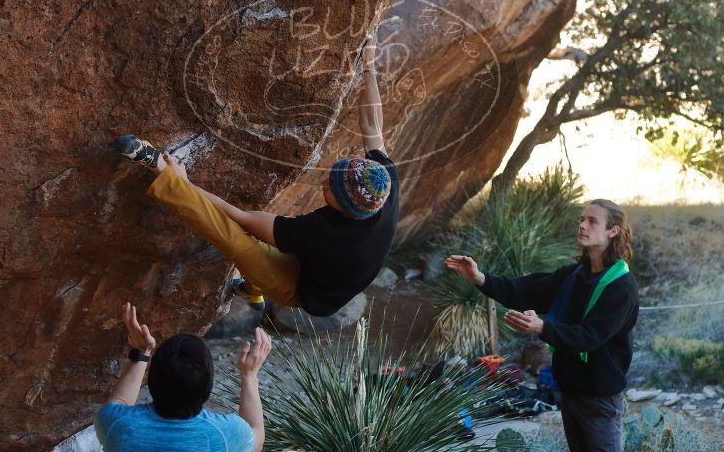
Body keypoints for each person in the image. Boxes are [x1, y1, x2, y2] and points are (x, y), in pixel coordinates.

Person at [114, 33, 399, 316]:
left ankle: (158, 169)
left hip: (300, 289)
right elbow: (373, 127)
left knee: (238, 243)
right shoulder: (382, 181)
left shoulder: (326, 235)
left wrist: (182, 182)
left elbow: (240, 219)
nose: (324, 182)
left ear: (346, 211)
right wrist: (368, 66)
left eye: (331, 190)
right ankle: (252, 290)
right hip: (322, 266)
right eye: (332, 174)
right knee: (268, 249)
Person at [445, 199, 639, 452]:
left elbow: (588, 336)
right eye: (581, 219)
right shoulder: (573, 276)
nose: (582, 225)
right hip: (569, 391)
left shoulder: (621, 286)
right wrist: (479, 278)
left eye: (592, 221)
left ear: (612, 231)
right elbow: (524, 290)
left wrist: (541, 327)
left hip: (599, 399)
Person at [94, 303, 271, 452]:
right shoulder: (226, 434)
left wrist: (142, 351)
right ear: (206, 389)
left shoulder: (116, 425)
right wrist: (249, 374)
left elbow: (119, 402)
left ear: (152, 381)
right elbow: (257, 434)